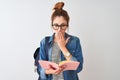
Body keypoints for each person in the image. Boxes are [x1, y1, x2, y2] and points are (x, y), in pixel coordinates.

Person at [38, 2, 83, 80]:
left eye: (63, 25)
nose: (59, 29)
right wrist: (49, 71)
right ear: (52, 25)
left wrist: (63, 48)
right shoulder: (44, 42)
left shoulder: (75, 41)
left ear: (67, 25)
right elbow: (40, 69)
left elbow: (79, 68)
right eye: (56, 25)